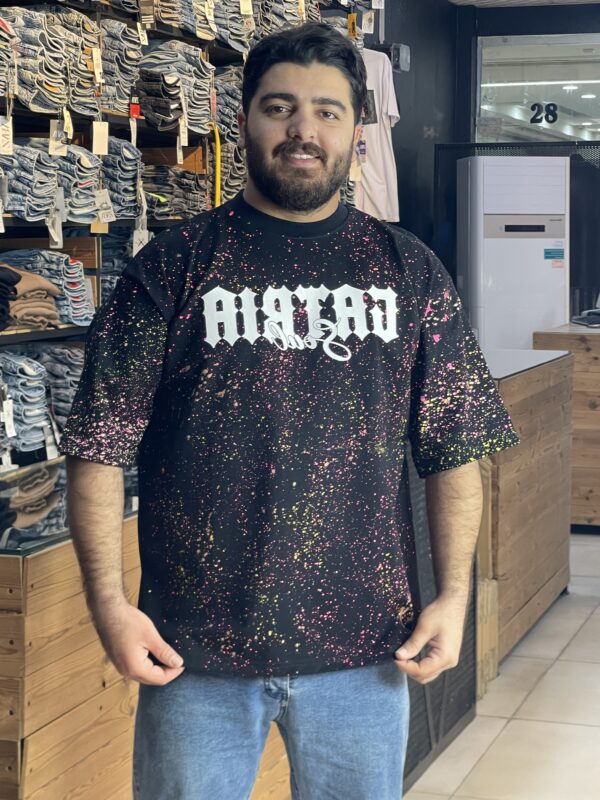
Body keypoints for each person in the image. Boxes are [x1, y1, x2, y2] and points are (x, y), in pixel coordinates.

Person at [60, 22, 520, 800]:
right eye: (280, 108)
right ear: (244, 119)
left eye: (326, 111)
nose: (303, 130)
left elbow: (456, 447)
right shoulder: (172, 267)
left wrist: (453, 595)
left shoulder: (408, 270)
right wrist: (108, 604)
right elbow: (98, 447)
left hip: (366, 652)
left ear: (356, 129)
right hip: (193, 654)